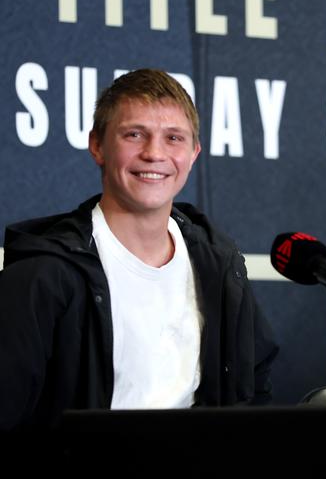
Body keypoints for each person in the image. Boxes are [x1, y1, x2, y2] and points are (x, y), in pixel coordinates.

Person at [0, 69, 278, 430]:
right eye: (134, 134)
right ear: (97, 145)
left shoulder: (218, 264)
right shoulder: (43, 275)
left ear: (194, 153)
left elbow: (254, 388)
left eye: (173, 138)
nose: (154, 153)